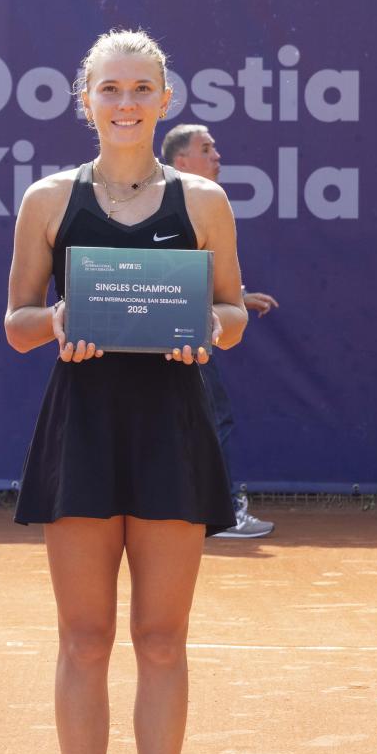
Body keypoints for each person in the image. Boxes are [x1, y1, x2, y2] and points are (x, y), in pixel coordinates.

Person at [5, 30, 246, 754]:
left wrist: (206, 335)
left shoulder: (204, 202)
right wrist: (61, 322)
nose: (127, 102)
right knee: (83, 635)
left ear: (165, 99)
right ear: (86, 100)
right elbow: (17, 322)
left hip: (170, 429)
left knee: (162, 637)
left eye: (142, 88)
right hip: (84, 428)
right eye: (111, 89)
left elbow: (231, 313)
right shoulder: (47, 200)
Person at [161, 123, 279, 539]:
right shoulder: (172, 202)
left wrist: (236, 298)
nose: (217, 156)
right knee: (213, 419)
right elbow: (172, 272)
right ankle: (222, 512)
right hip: (180, 336)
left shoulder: (200, 203)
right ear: (182, 161)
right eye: (206, 149)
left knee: (201, 420)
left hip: (189, 331)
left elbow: (194, 269)